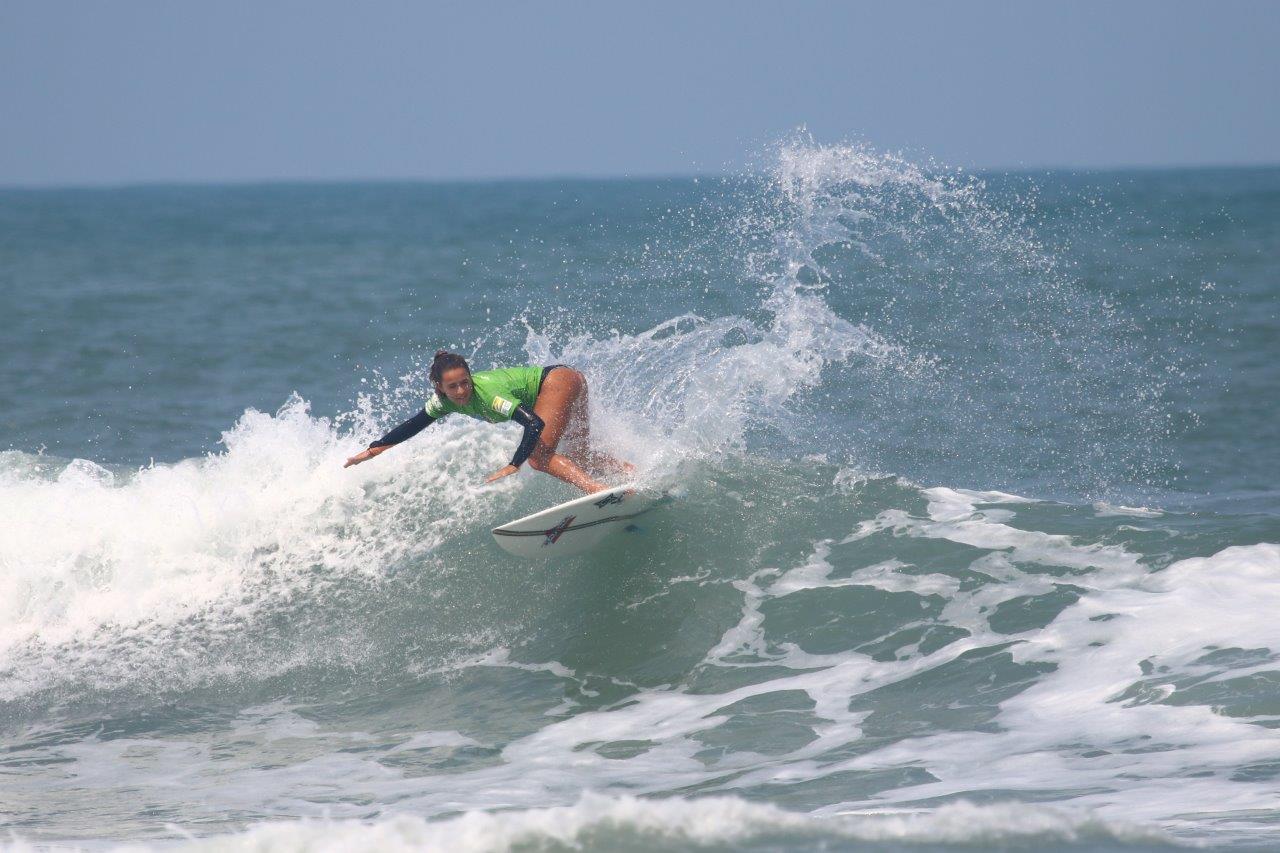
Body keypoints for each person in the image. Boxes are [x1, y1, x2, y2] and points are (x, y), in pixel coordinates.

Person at [343, 350, 633, 494]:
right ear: (440, 388)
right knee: (578, 454)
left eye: (465, 383)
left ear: (471, 378)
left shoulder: (489, 396)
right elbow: (414, 424)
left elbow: (533, 425)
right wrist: (374, 449)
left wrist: (514, 464)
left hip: (558, 382)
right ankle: (631, 474)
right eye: (453, 387)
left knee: (539, 457)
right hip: (569, 379)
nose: (461, 391)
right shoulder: (442, 402)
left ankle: (599, 492)